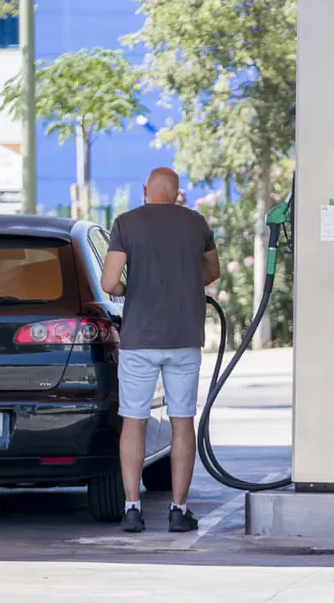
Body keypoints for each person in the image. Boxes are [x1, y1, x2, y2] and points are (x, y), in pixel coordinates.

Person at [102, 167, 221, 534]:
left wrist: (129, 288)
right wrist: (184, 279)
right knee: (182, 421)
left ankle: (132, 508)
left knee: (134, 420)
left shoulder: (125, 222)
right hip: (184, 338)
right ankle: (178, 509)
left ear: (145, 191)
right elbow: (212, 270)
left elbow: (109, 281)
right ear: (177, 194)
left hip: (140, 339)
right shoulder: (195, 223)